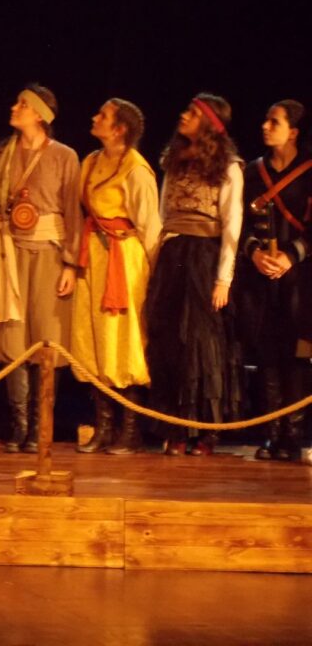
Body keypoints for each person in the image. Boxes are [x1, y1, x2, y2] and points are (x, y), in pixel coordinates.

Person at [0, 85, 82, 453]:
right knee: (13, 341)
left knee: (47, 338)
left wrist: (71, 264)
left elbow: (73, 212)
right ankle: (18, 426)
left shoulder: (65, 156)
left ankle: (40, 425)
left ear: (40, 115)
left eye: (23, 104)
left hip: (49, 254)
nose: (14, 107)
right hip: (8, 255)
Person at [144, 93, 244, 456]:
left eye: (193, 113)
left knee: (200, 343)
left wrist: (223, 279)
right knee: (170, 340)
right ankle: (174, 428)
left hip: (203, 257)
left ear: (209, 124)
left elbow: (232, 224)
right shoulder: (173, 161)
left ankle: (203, 431)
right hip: (173, 254)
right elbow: (161, 213)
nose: (183, 116)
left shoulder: (228, 167)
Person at [71, 99, 161, 454]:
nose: (95, 117)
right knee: (93, 340)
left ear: (120, 129)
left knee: (122, 341)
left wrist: (154, 274)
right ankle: (104, 426)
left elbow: (149, 226)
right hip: (93, 257)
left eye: (103, 115)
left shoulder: (136, 169)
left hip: (124, 260)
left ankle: (130, 430)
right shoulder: (90, 161)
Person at [236, 100, 312, 462]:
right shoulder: (253, 172)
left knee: (295, 357)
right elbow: (240, 225)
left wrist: (291, 255)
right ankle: (271, 433)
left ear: (293, 132)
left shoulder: (310, 171)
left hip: (299, 278)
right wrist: (254, 253)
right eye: (266, 120)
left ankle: (292, 437)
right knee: (267, 354)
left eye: (274, 122)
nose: (265, 126)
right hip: (261, 277)